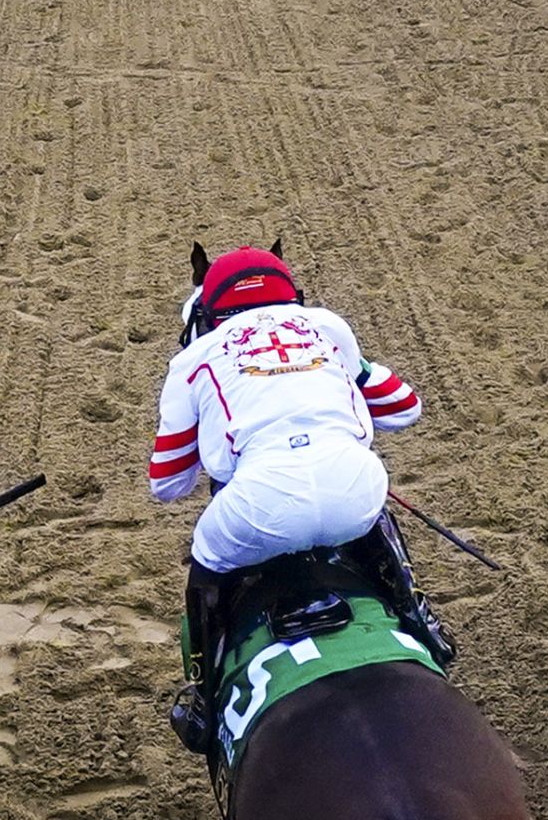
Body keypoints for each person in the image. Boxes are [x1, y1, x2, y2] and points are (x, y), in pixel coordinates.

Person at [151, 244, 433, 758]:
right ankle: (418, 617)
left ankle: (204, 699)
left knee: (206, 553)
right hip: (353, 491)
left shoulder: (193, 357)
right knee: (373, 507)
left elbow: (166, 484)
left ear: (210, 311)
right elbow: (406, 408)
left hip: (257, 509)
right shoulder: (326, 326)